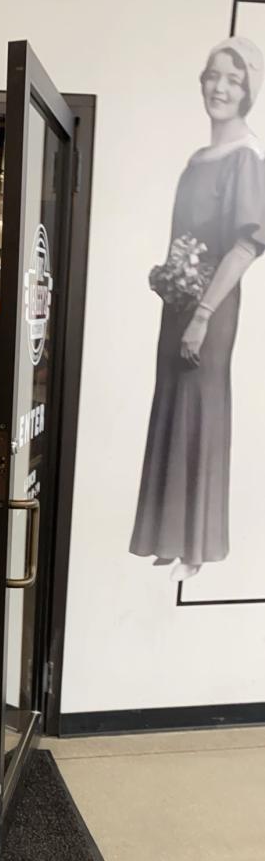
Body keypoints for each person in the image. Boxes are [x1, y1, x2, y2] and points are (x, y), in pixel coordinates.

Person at [130, 36, 265, 582]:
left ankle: (197, 545)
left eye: (234, 79)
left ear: (248, 90)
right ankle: (167, 536)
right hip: (180, 302)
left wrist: (204, 313)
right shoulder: (195, 161)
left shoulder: (247, 158)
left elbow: (246, 246)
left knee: (201, 408)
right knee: (171, 402)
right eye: (213, 76)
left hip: (212, 306)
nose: (221, 88)